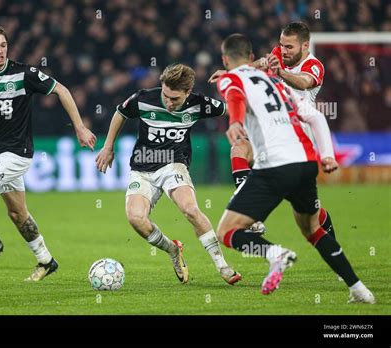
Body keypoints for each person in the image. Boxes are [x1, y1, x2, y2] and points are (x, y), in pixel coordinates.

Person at [214, 33, 375, 303]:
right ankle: (359, 289)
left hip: (275, 165)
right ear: (253, 58)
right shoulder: (278, 84)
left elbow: (235, 97)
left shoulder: (229, 78)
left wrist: (234, 122)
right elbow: (315, 115)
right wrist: (327, 155)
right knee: (313, 229)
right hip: (306, 162)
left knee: (227, 232)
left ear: (224, 60)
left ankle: (274, 254)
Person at [0, 24, 96, 281]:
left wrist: (80, 127)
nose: (0, 51)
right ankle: (46, 260)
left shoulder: (24, 73)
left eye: (4, 45)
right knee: (18, 213)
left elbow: (61, 90)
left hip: (18, 154)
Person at [96, 64, 241, 285]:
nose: (169, 102)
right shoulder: (144, 98)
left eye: (175, 99)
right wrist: (108, 147)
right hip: (143, 166)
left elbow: (234, 107)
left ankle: (223, 266)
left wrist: (239, 80)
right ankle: (173, 250)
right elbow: (120, 113)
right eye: (166, 95)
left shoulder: (199, 104)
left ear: (188, 93)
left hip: (174, 163)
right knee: (135, 218)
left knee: (190, 209)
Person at [210, 22, 338, 267]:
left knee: (309, 213)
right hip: (271, 130)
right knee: (238, 147)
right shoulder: (279, 54)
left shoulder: (314, 65)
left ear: (304, 46)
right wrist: (231, 75)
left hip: (299, 138)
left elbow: (302, 82)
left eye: (289, 46)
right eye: (281, 45)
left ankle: (330, 246)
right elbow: (257, 65)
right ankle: (254, 220)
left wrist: (281, 73)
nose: (283, 50)